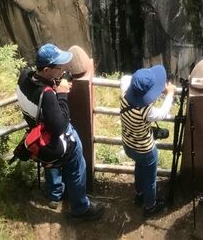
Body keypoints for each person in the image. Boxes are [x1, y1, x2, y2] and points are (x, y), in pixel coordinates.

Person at [16, 43, 103, 221]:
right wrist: (62, 93)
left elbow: (37, 96)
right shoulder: (47, 95)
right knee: (77, 162)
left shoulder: (24, 76)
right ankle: (80, 208)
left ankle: (56, 193)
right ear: (47, 69)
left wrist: (54, 84)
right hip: (53, 136)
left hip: (37, 134)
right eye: (59, 67)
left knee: (51, 162)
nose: (63, 69)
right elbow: (60, 127)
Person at [119, 65, 175, 217]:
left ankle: (139, 194)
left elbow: (125, 79)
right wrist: (168, 93)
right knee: (151, 179)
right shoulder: (146, 111)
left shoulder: (124, 94)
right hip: (146, 150)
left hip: (129, 145)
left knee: (139, 168)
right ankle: (150, 206)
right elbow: (162, 113)